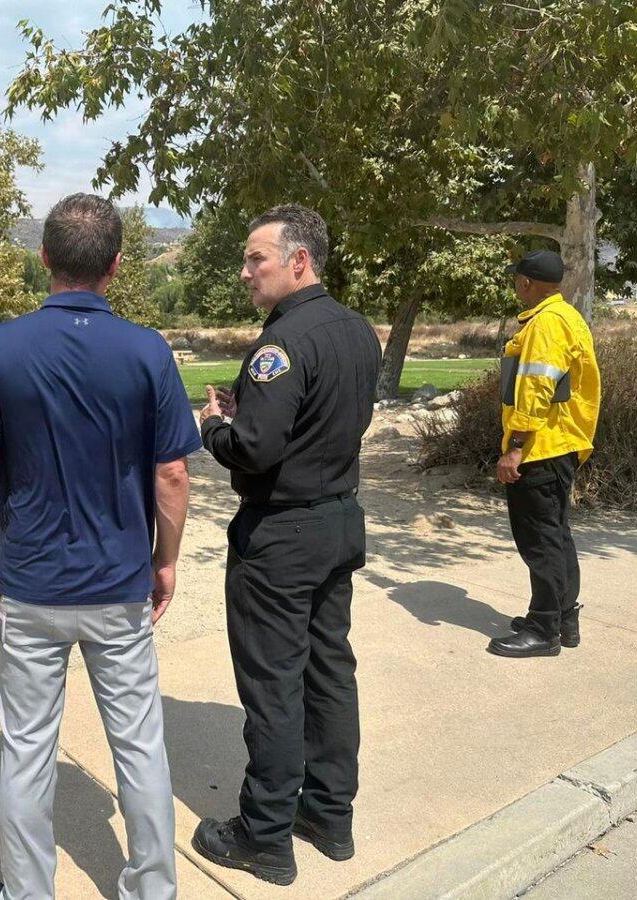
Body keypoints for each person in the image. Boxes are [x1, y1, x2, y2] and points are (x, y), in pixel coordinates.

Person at [0, 194, 203, 900]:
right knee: (140, 748)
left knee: (27, 751)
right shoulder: (148, 350)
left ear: (44, 259)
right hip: (118, 586)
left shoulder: (1, 346)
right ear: (116, 266)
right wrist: (165, 560)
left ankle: (31, 893)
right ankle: (152, 889)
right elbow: (174, 473)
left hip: (30, 590)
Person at [192, 204, 381, 885]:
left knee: (275, 685)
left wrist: (215, 426)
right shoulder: (357, 331)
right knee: (330, 671)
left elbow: (256, 447)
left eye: (256, 260)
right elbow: (329, 420)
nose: (245, 272)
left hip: (284, 532)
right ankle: (329, 815)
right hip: (337, 519)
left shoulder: (281, 344)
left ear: (297, 261)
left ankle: (264, 834)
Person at [488, 249, 601, 658]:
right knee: (555, 535)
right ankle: (563, 619)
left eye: (516, 279)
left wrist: (515, 448)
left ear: (526, 283)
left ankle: (543, 629)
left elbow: (535, 390)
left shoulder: (547, 325)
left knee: (540, 541)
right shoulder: (567, 317)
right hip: (559, 443)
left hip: (541, 446)